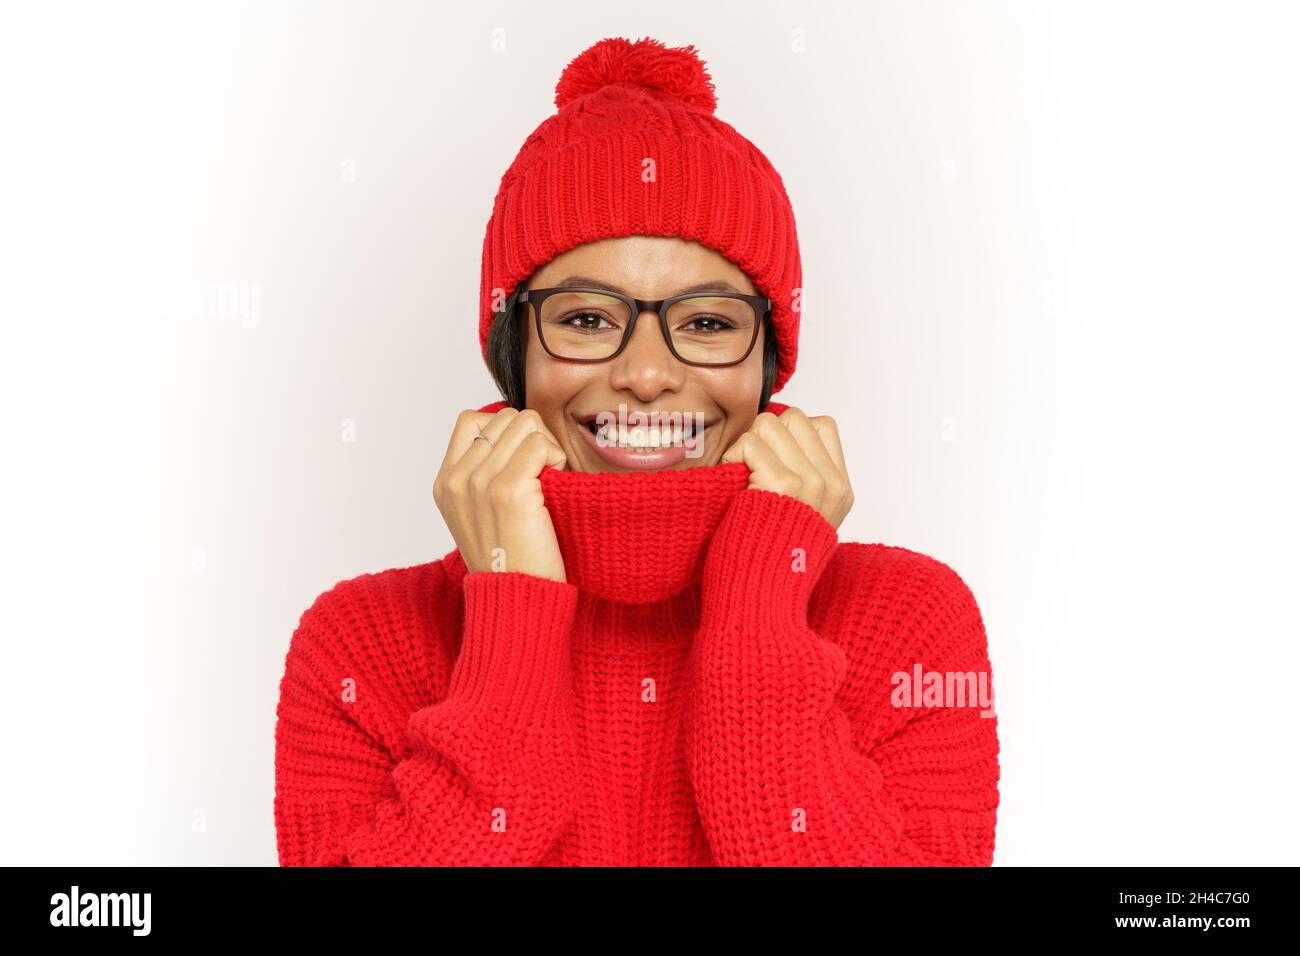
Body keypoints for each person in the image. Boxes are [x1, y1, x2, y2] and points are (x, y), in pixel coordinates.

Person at [274, 36, 1000, 866]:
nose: (648, 374)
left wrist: (761, 607)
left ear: (768, 361)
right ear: (514, 354)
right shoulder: (358, 645)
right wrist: (511, 613)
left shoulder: (910, 623)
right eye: (586, 319)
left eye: (707, 323)